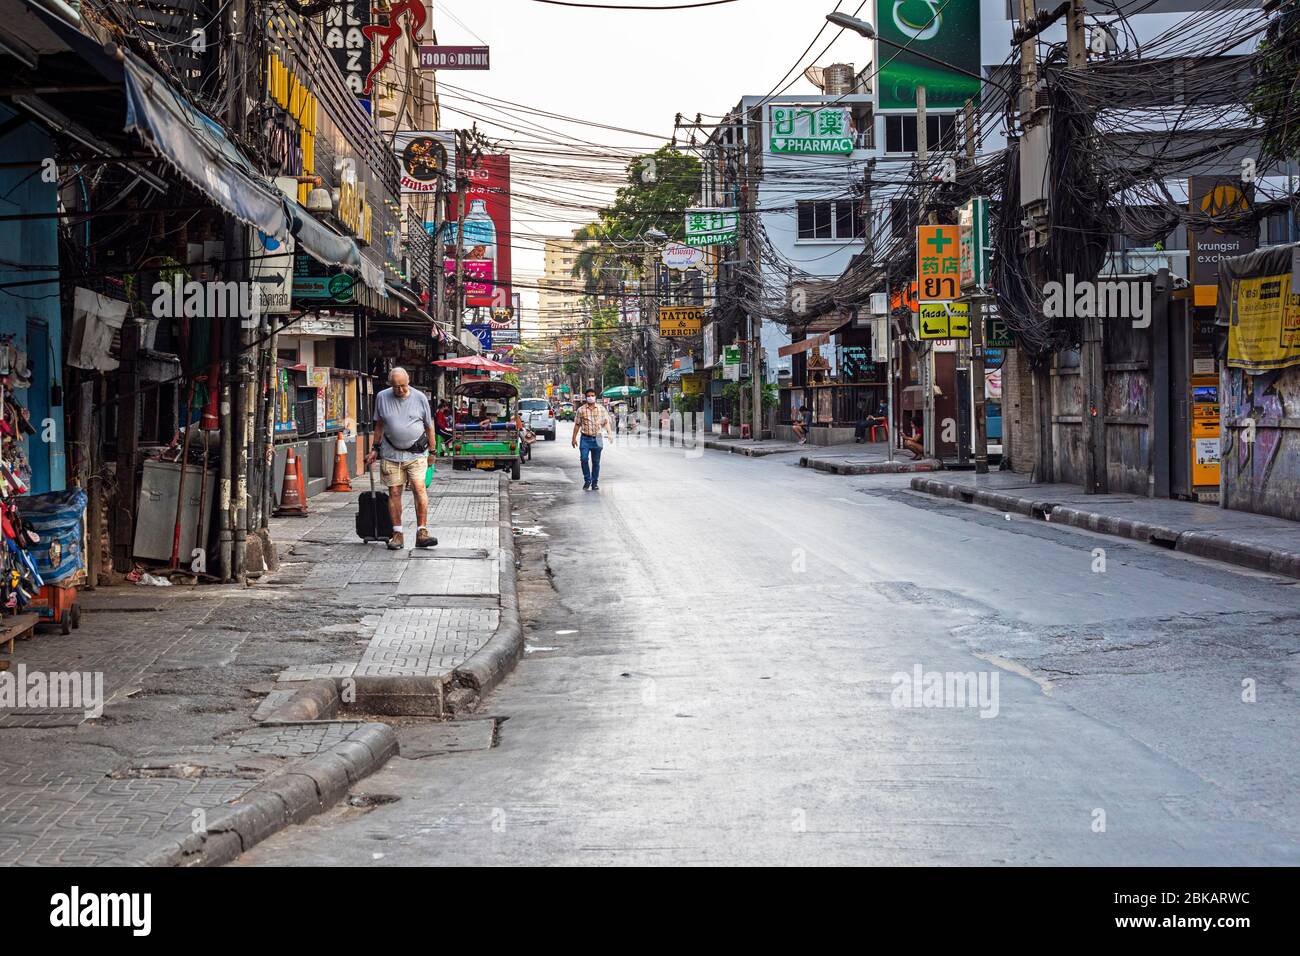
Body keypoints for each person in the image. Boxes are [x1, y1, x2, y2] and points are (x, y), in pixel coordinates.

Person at [364, 367, 437, 550]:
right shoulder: (382, 397)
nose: (400, 390)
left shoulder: (420, 398)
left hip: (416, 454)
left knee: (419, 488)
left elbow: (429, 426)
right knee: (394, 492)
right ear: (390, 385)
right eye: (396, 387)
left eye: (403, 386)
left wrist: (433, 451)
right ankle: (397, 534)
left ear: (408, 381)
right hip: (391, 454)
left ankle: (422, 531)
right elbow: (379, 425)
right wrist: (375, 449)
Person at [572, 386, 613, 491]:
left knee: (596, 462)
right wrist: (574, 438)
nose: (590, 397)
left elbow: (606, 422)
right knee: (584, 459)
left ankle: (595, 482)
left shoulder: (601, 409)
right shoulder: (581, 410)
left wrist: (609, 434)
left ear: (595, 396)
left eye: (592, 396)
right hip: (585, 438)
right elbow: (577, 425)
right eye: (588, 396)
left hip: (598, 438)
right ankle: (587, 480)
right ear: (586, 398)